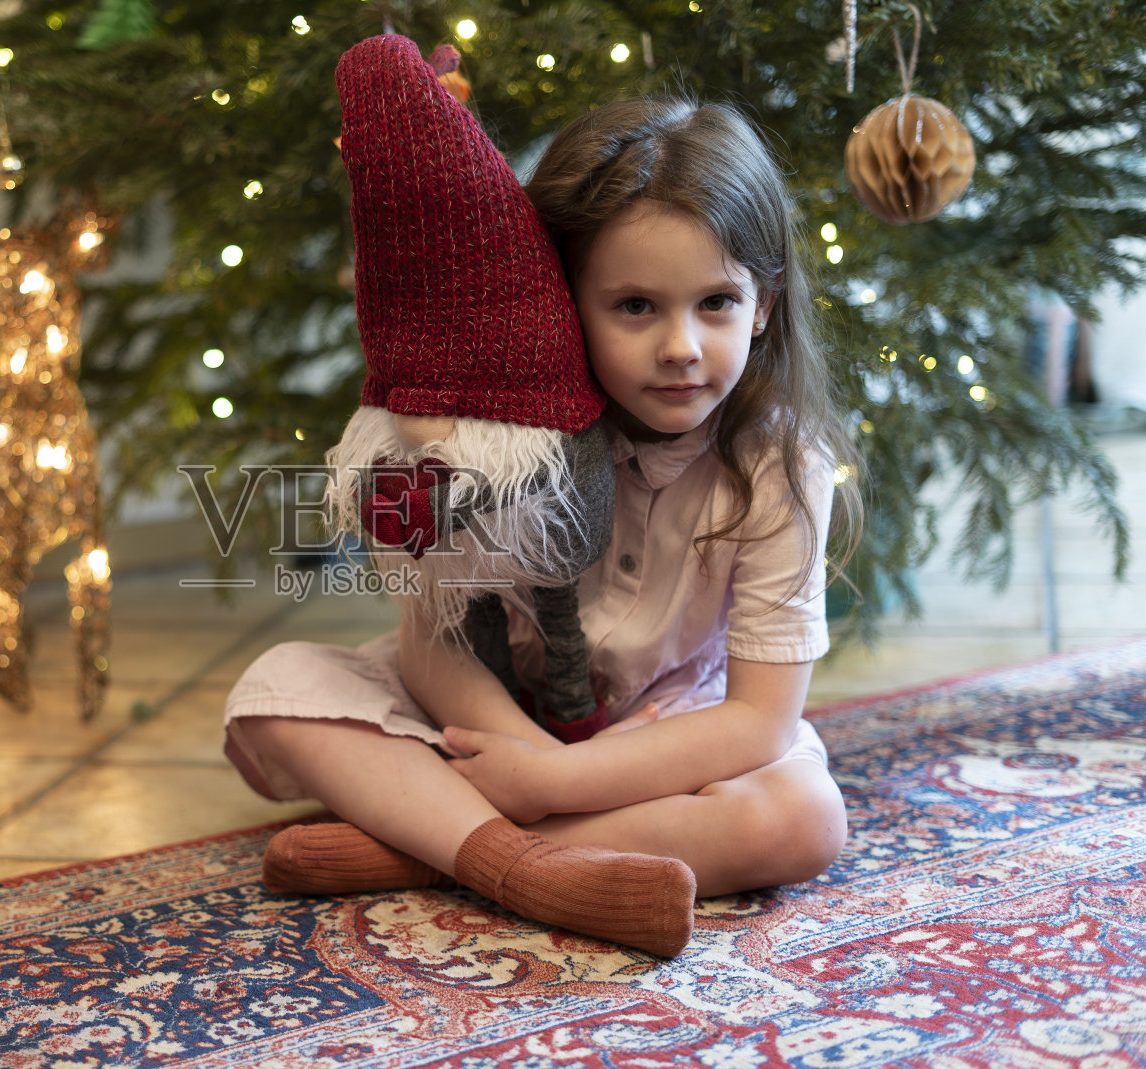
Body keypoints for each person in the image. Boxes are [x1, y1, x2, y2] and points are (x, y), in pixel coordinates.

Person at [223, 43, 862, 959]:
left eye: (715, 302)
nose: (682, 346)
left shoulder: (779, 465)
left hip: (666, 736)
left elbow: (759, 717)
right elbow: (432, 644)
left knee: (803, 820)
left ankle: (432, 846)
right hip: (486, 717)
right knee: (274, 695)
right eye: (636, 306)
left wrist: (556, 778)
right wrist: (516, 756)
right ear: (565, 297)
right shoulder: (481, 442)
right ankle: (522, 858)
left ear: (764, 303)